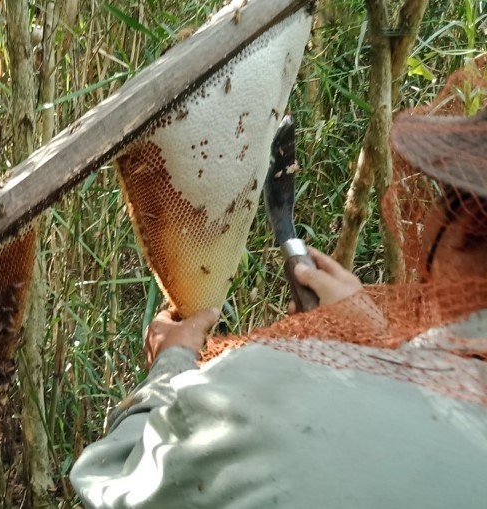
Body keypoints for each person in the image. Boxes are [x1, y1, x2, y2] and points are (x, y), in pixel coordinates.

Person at [69, 110, 487, 508]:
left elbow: (114, 476)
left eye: (442, 196)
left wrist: (168, 367)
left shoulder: (256, 395)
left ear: (465, 223)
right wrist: (377, 342)